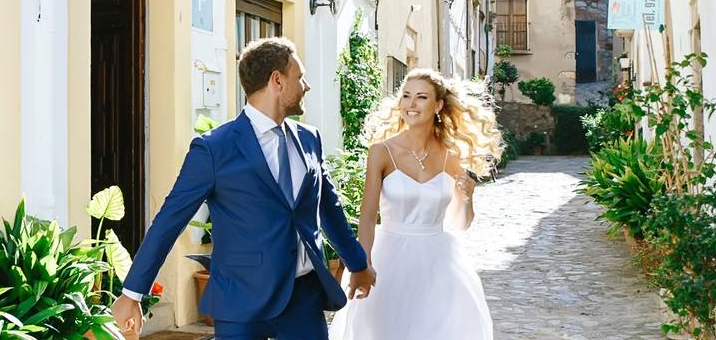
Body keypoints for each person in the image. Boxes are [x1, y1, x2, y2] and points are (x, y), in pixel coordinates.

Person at [112, 37, 377, 340]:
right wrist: (132, 293)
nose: (307, 86)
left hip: (304, 299)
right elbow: (170, 219)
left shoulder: (309, 139)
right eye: (300, 77)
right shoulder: (214, 148)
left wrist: (358, 264)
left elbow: (329, 210)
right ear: (277, 80)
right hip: (240, 302)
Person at [329, 68, 502, 340]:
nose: (411, 104)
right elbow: (367, 216)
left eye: (421, 97)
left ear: (438, 105)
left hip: (439, 263)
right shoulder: (382, 152)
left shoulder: (452, 157)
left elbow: (461, 223)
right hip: (389, 260)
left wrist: (468, 197)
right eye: (406, 96)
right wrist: (364, 264)